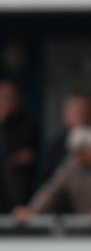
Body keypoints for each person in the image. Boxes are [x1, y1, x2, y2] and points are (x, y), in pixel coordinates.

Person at [13, 126, 91, 224]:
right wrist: (32, 210)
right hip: (86, 225)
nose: (78, 159)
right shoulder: (73, 162)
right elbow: (52, 189)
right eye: (75, 154)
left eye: (82, 154)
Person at [0, 79, 39, 212]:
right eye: (2, 97)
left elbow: (26, 157)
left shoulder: (27, 126)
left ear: (18, 100)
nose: (5, 101)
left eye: (9, 97)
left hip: (18, 197)